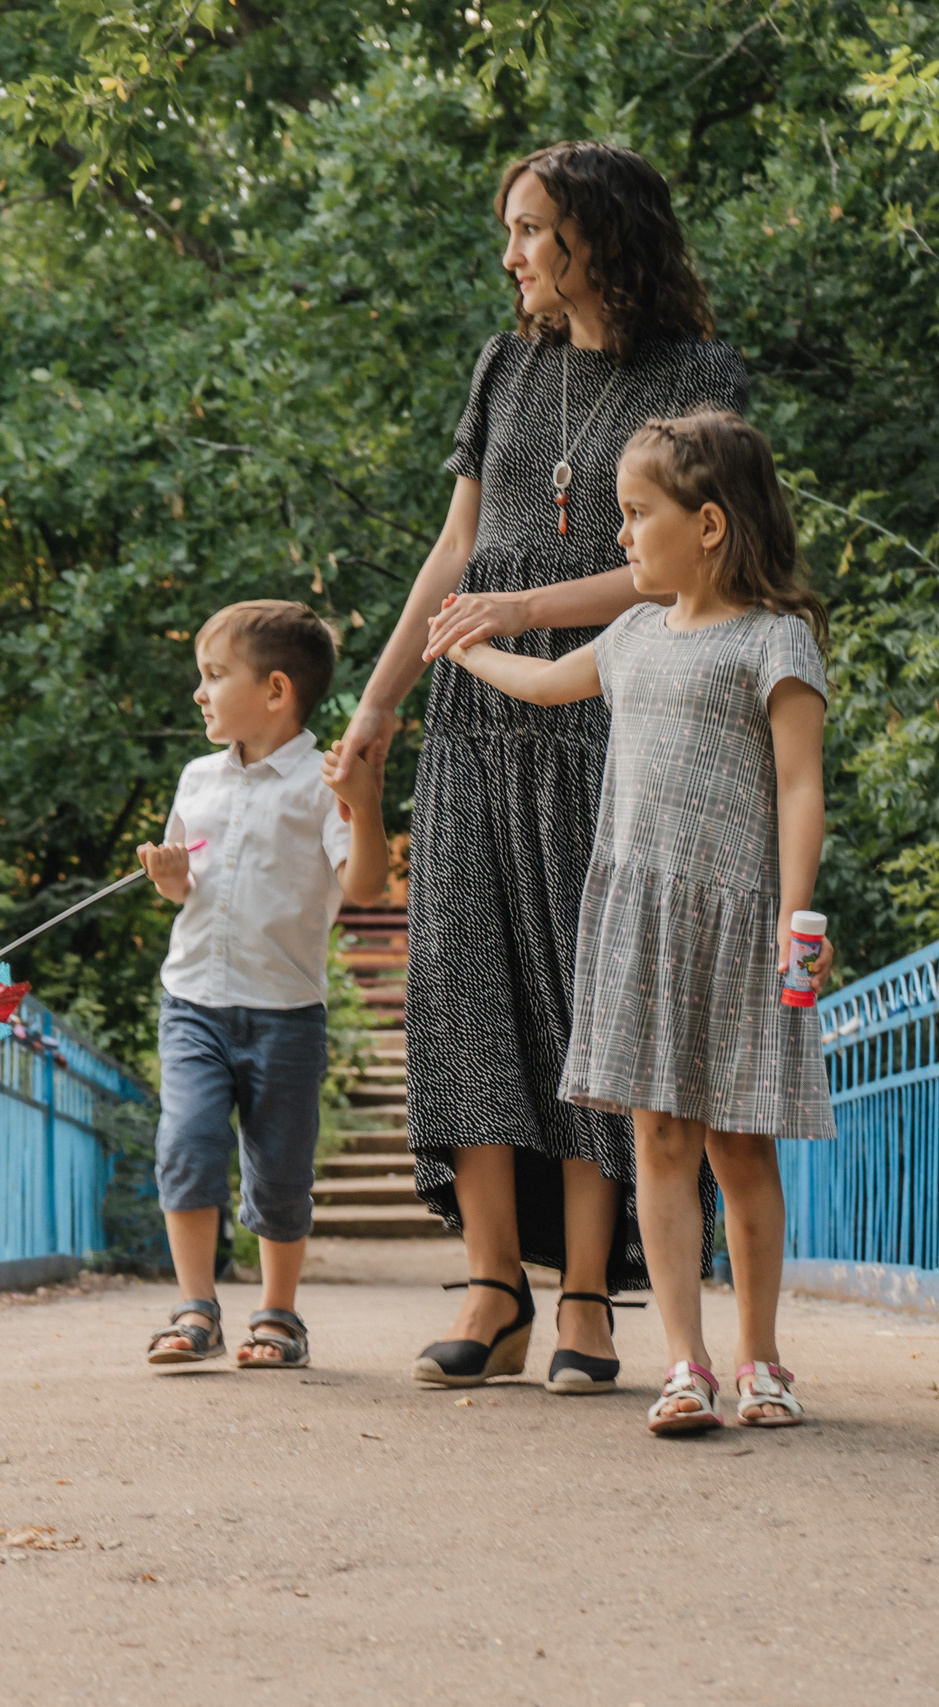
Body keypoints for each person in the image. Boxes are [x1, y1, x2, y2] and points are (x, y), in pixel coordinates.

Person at [332, 141, 747, 1393]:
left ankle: (585, 1300)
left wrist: (527, 610)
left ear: (594, 236)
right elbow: (458, 547)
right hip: (475, 709)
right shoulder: (504, 367)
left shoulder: (695, 379)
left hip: (613, 705)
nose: (509, 254)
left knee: (585, 991)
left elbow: (680, 568)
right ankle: (490, 1287)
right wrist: (376, 706)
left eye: (527, 230)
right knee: (465, 976)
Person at [438, 409, 837, 1435]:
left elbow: (799, 787)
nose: (620, 536)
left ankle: (761, 1359)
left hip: (741, 921)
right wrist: (471, 646)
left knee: (740, 1148)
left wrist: (799, 912)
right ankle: (684, 1363)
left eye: (634, 513)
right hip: (637, 915)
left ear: (707, 524)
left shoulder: (773, 638)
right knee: (658, 1138)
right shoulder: (630, 635)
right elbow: (541, 683)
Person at [137, 600, 391, 1370]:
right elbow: (187, 889)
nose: (200, 692)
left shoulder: (323, 784)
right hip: (193, 1003)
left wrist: (369, 807)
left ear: (275, 691)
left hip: (284, 1014)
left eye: (214, 675)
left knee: (279, 1172)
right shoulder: (196, 777)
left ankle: (278, 1314)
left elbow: (368, 884)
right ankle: (194, 1308)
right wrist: (171, 879)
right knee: (186, 1143)